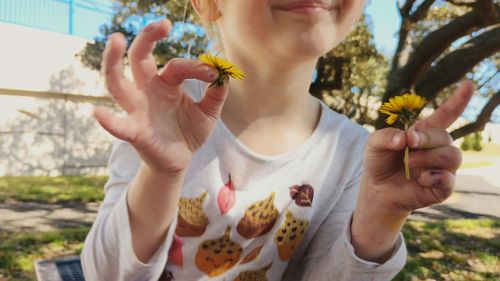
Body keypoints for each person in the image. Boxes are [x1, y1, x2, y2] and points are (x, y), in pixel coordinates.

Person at [81, 0, 473, 280]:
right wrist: (161, 175)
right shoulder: (164, 116)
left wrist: (382, 216)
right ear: (206, 3)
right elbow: (104, 274)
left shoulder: (354, 151)